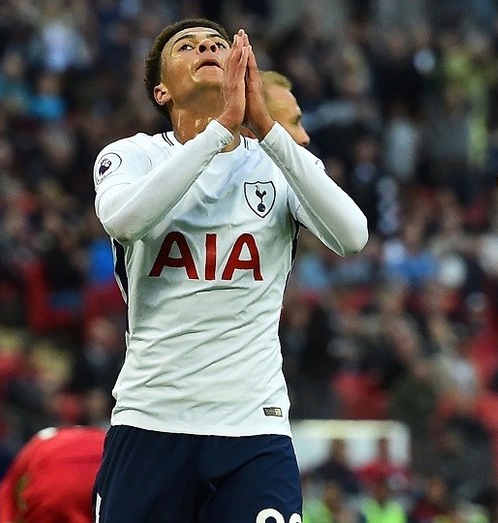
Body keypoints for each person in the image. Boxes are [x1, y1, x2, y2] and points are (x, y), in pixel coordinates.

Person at [91, 18, 368, 522]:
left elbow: (353, 236)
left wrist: (267, 129)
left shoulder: (276, 164)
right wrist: (219, 131)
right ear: (161, 91)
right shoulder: (131, 155)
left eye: (218, 43)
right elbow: (124, 220)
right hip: (152, 419)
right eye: (187, 46)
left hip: (253, 428)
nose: (205, 48)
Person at [0, 426, 106, 523]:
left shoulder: (10, 487)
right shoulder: (95, 435)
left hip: (55, 482)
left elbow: (6, 498)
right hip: (107, 473)